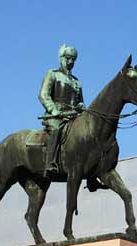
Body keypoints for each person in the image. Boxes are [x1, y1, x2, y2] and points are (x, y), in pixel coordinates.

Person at [39, 44, 86, 175]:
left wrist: (81, 106)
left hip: (73, 116)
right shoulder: (52, 74)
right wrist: (53, 110)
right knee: (56, 129)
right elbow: (43, 95)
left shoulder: (76, 82)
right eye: (68, 58)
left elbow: (80, 101)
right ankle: (51, 163)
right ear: (61, 58)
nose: (70, 62)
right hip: (56, 116)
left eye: (73, 59)